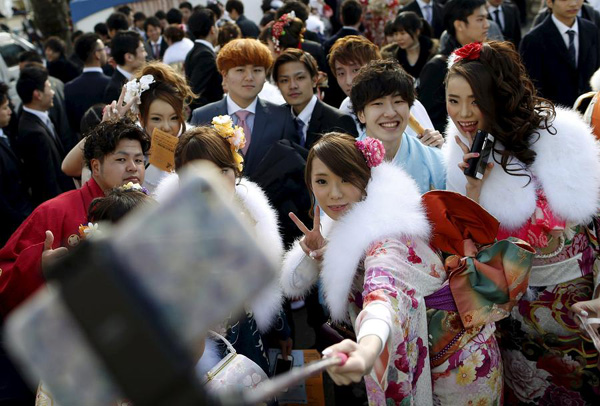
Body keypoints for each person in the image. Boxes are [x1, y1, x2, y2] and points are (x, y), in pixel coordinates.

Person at [280, 133, 528, 404]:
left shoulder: (387, 235)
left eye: (346, 179)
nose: (335, 192)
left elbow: (382, 297)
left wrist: (366, 351)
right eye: (322, 181)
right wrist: (316, 255)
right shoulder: (348, 222)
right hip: (441, 346)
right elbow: (295, 283)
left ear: (365, 178)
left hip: (459, 362)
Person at [443, 41, 600, 405]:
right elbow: (467, 245)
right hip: (513, 308)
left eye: (475, 99)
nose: (463, 112)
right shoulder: (459, 152)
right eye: (454, 100)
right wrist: (473, 188)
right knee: (528, 391)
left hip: (577, 300)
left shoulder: (561, 133)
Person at [155, 122, 290, 373]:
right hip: (201, 349)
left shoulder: (247, 213)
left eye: (223, 171)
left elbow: (266, 277)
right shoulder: (170, 229)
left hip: (249, 333)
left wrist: (282, 329)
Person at [0, 119, 149, 316]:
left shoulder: (149, 210)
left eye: (138, 160)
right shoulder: (54, 211)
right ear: (95, 167)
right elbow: (4, 274)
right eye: (121, 160)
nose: (133, 167)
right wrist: (38, 268)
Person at [64, 62, 195, 194]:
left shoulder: (193, 141)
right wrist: (104, 129)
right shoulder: (128, 139)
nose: (166, 127)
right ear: (141, 118)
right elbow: (69, 167)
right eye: (156, 118)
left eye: (174, 118)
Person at [190, 38, 296, 178]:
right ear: (224, 75)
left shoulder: (282, 117)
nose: (249, 77)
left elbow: (291, 170)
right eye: (240, 70)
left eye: (257, 70)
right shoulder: (202, 116)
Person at [351, 59, 445, 193]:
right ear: (361, 114)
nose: (390, 113)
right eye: (378, 103)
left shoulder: (435, 161)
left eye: (398, 101)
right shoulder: (344, 160)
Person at [328, 35, 436, 143]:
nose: (349, 81)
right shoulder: (346, 106)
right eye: (341, 73)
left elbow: (428, 144)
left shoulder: (405, 104)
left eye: (356, 70)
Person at [418, 0, 489, 132]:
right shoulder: (437, 67)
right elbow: (430, 122)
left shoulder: (487, 58)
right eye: (480, 19)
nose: (487, 25)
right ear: (459, 25)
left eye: (486, 18)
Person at [520, 0, 600, 108]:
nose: (573, 3)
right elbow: (531, 86)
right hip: (554, 114)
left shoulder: (591, 30)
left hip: (589, 110)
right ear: (549, 2)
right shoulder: (533, 40)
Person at [273, 48, 357, 148]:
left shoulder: (338, 121)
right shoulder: (275, 118)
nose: (293, 86)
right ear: (277, 85)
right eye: (284, 80)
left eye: (300, 78)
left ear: (314, 79)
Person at [15, 66, 74, 206]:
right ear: (38, 94)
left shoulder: (42, 118)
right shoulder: (34, 133)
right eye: (48, 87)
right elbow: (48, 181)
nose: (53, 92)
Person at [0, 81, 32, 246]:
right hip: (13, 226)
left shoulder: (5, 135)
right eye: (5, 108)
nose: (10, 111)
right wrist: (21, 220)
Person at [64, 33, 110, 135]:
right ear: (97, 54)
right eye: (104, 49)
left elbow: (71, 124)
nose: (106, 52)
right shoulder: (110, 83)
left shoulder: (69, 88)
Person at [185, 8, 223, 110]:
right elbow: (196, 93)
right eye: (216, 25)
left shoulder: (194, 51)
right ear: (212, 29)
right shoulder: (205, 55)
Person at [390, 12, 438, 79]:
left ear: (417, 32)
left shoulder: (434, 53)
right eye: (396, 34)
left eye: (402, 33)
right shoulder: (394, 56)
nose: (398, 38)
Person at [104, 31, 147, 103]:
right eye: (142, 50)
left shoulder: (144, 77)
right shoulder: (114, 89)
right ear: (129, 57)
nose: (146, 54)